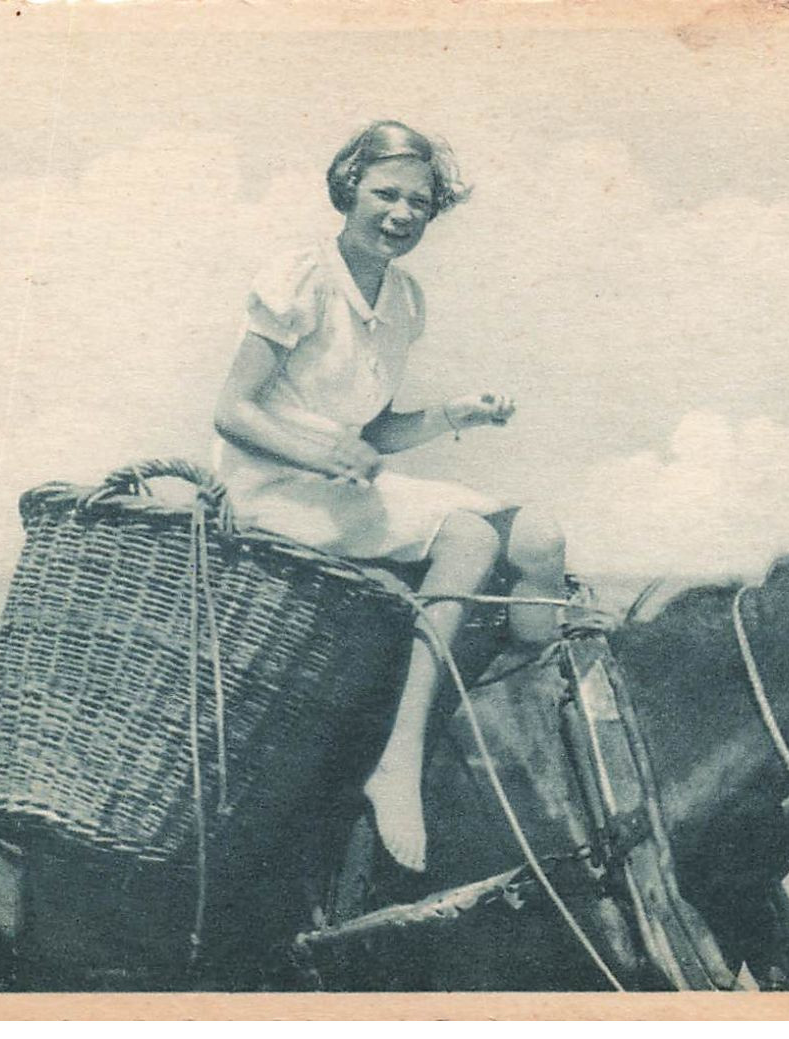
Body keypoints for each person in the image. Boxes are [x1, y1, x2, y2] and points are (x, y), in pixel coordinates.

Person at [212, 120, 569, 873]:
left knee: (538, 534)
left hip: (343, 485)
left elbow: (372, 431)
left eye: (419, 202)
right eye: (386, 194)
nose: (402, 214)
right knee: (469, 536)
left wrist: (455, 415)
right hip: (272, 486)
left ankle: (544, 714)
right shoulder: (301, 274)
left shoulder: (404, 298)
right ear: (348, 188)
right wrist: (319, 450)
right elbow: (233, 410)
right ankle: (398, 760)